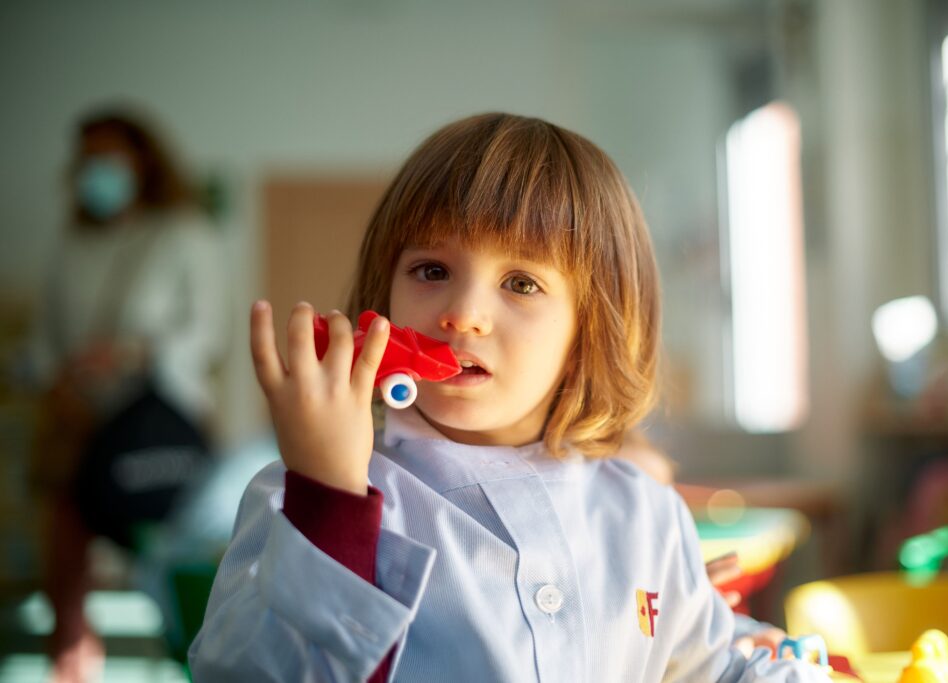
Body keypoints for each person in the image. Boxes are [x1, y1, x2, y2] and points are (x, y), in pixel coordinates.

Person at [189, 113, 824, 681]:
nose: (463, 314)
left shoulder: (645, 513)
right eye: (432, 271)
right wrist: (329, 497)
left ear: (589, 330)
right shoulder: (300, 498)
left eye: (520, 282)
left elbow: (714, 664)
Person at [25, 105, 228, 683]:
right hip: (83, 420)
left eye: (109, 158)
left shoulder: (184, 233)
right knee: (66, 558)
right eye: (87, 160)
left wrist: (131, 353)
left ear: (143, 161)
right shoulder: (71, 243)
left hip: (159, 419)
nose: (98, 171)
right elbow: (44, 338)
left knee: (170, 555)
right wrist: (56, 375)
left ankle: (191, 657)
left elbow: (208, 331)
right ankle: (69, 661)